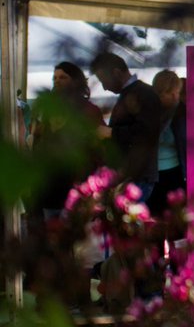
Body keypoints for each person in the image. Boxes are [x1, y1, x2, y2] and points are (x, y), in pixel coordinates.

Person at [30, 61, 104, 216]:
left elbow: (98, 147)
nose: (57, 81)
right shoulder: (45, 108)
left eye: (62, 77)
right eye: (54, 78)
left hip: (77, 182)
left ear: (75, 81)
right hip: (50, 183)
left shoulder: (88, 110)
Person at [91, 52, 163, 201]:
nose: (104, 88)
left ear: (116, 73)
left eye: (104, 80)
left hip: (138, 177)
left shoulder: (145, 94)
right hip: (130, 176)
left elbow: (148, 134)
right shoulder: (131, 93)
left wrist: (111, 133)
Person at [147, 70, 186, 217]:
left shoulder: (181, 112)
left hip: (175, 171)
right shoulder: (148, 111)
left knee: (176, 220)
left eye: (178, 92)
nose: (175, 97)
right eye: (170, 93)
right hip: (153, 174)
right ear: (158, 92)